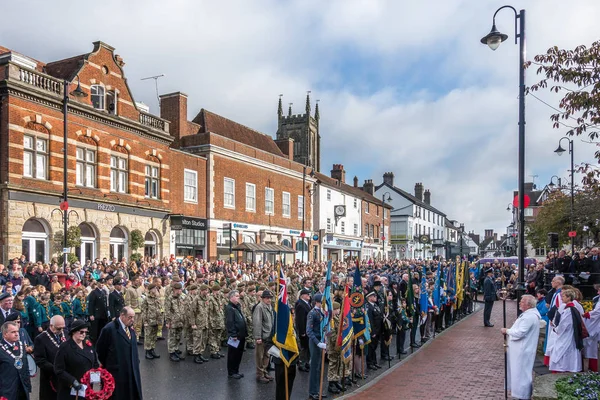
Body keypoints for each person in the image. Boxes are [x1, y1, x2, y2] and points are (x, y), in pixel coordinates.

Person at [96, 307, 143, 400]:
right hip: (117, 371)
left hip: (131, 369)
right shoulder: (109, 329)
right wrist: (110, 363)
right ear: (122, 316)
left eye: (133, 317)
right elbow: (101, 350)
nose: (132, 320)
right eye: (130, 317)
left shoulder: (130, 329)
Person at [501, 295, 541, 400]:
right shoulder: (527, 314)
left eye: (522, 302)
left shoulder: (530, 316)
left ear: (528, 305)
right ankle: (519, 394)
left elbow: (520, 332)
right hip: (519, 350)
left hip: (523, 350)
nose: (519, 303)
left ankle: (522, 395)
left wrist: (507, 331)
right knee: (518, 373)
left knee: (521, 374)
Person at [53, 319, 99, 400]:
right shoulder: (65, 347)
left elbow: (95, 363)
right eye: (81, 332)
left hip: (87, 388)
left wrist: (98, 376)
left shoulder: (88, 344)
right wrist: (72, 381)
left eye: (86, 332)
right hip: (71, 389)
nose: (84, 334)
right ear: (74, 332)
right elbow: (58, 369)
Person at [548, 289, 584, 373]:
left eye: (563, 296)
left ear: (569, 297)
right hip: (569, 334)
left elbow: (564, 325)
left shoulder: (569, 310)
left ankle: (565, 368)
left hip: (567, 335)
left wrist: (555, 328)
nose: (561, 298)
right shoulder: (571, 308)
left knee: (564, 352)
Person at [34, 315, 66, 400]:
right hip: (50, 377)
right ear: (51, 326)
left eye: (63, 328)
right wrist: (56, 369)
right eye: (59, 328)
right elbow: (40, 360)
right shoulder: (41, 339)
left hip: (66, 376)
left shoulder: (66, 334)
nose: (61, 330)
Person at [0, 321, 32, 400]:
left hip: (22, 389)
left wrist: (28, 386)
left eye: (17, 331)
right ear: (5, 334)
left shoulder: (21, 346)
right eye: (13, 332)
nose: (17, 334)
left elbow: (25, 366)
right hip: (7, 392)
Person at [306, 293, 327, 400]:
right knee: (314, 367)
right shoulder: (312, 313)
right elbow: (309, 331)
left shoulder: (322, 313)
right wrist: (318, 343)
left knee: (320, 367)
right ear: (317, 302)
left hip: (322, 341)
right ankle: (313, 391)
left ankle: (318, 390)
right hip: (315, 342)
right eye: (322, 302)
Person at [253, 289, 274, 384]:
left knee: (266, 355)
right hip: (262, 336)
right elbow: (257, 322)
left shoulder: (269, 306)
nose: (269, 300)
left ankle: (264, 372)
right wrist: (258, 337)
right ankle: (259, 375)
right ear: (262, 298)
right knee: (259, 356)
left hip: (268, 336)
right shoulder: (260, 307)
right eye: (267, 298)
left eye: (270, 298)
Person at [225, 290, 247, 379]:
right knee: (233, 354)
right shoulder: (229, 308)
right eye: (237, 296)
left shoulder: (237, 306)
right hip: (235, 336)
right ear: (231, 297)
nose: (238, 297)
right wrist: (233, 334)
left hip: (240, 334)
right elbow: (230, 322)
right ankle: (231, 372)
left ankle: (236, 370)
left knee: (239, 354)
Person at [164, 282, 186, 361]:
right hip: (173, 321)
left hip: (180, 321)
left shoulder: (180, 297)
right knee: (172, 337)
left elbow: (183, 308)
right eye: (178, 290)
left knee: (178, 337)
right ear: (174, 290)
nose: (180, 291)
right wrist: (168, 321)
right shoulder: (170, 298)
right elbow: (167, 311)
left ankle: (176, 349)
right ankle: (171, 352)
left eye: (181, 289)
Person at [140, 283, 162, 360]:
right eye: (154, 288)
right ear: (150, 290)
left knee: (153, 336)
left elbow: (159, 308)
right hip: (149, 320)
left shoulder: (156, 297)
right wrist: (145, 321)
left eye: (156, 288)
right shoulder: (146, 299)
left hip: (156, 320)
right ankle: (147, 351)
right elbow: (143, 310)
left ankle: (152, 350)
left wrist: (160, 319)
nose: (155, 289)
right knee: (148, 337)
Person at [583, 284, 600, 372]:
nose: (598, 292)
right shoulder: (598, 299)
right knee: (592, 348)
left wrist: (588, 314)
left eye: (599, 290)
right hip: (596, 323)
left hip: (596, 323)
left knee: (592, 347)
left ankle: (593, 368)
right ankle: (592, 367)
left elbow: (598, 311)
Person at [294, 288, 312, 372]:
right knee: (303, 347)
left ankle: (306, 362)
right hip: (304, 329)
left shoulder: (307, 303)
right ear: (302, 296)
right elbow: (300, 320)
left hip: (308, 329)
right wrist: (302, 332)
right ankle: (301, 363)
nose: (309, 295)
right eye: (307, 294)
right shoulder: (300, 305)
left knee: (308, 347)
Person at [366, 291, 382, 370]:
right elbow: (370, 320)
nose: (375, 297)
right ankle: (370, 363)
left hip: (378, 330)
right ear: (369, 298)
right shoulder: (368, 307)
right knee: (371, 347)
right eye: (373, 296)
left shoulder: (375, 305)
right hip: (373, 330)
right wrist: (372, 332)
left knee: (375, 347)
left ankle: (374, 362)